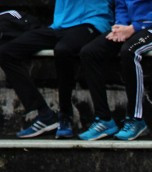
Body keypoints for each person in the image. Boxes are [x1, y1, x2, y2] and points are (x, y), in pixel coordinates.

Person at [0, 1, 111, 138]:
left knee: (63, 50)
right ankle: (45, 114)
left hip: (90, 22)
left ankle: (65, 116)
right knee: (6, 53)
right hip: (59, 25)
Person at [78, 0, 152, 141]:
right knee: (89, 52)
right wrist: (121, 27)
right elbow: (120, 5)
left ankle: (135, 119)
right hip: (130, 28)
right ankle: (104, 119)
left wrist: (134, 27)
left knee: (130, 52)